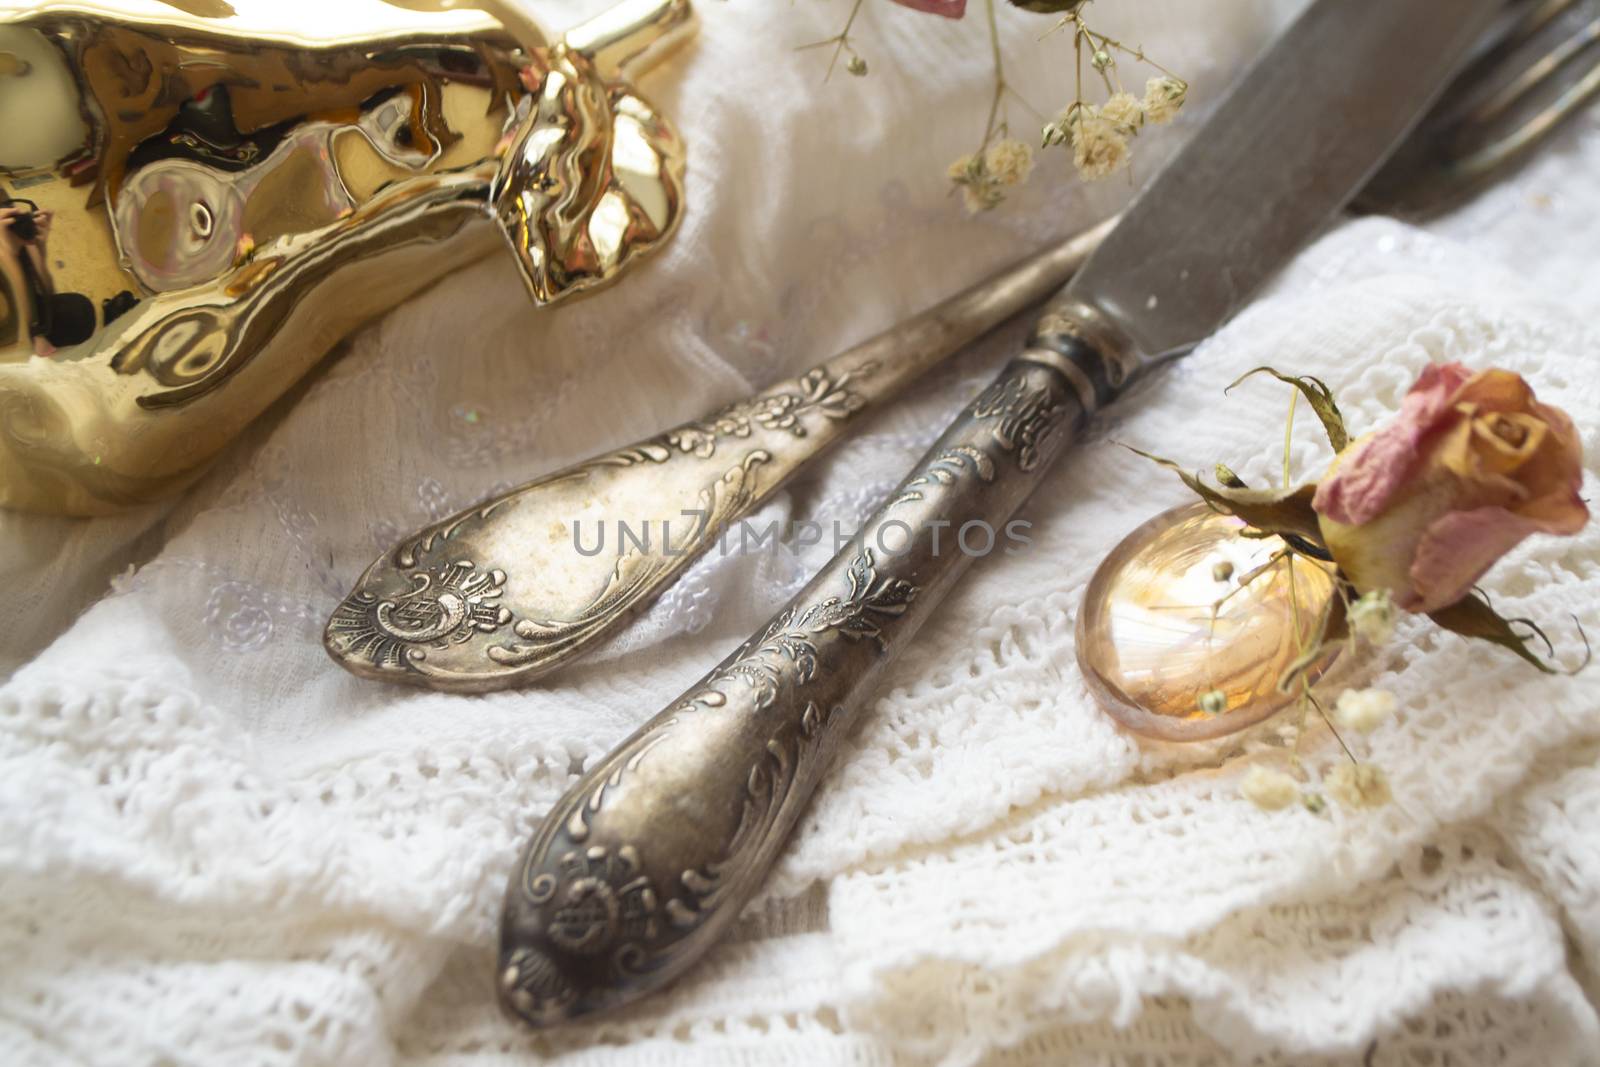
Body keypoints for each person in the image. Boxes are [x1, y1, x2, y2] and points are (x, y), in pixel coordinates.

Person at [0, 202, 95, 356]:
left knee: (79, 311)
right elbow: (12, 332)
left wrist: (39, 249)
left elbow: (47, 293)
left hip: (22, 310)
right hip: (8, 335)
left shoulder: (8, 227)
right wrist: (7, 255)